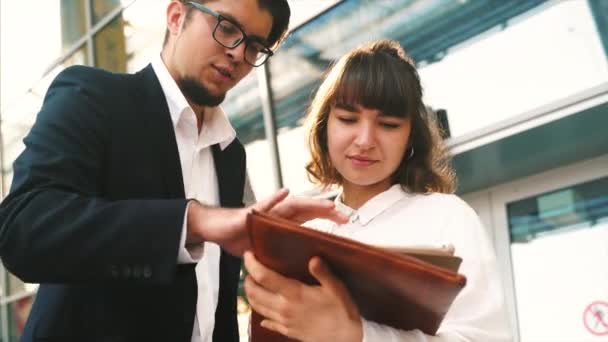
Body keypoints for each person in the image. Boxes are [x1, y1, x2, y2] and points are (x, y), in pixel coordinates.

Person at [0, 1, 349, 342]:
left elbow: (216, 303)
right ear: (176, 16)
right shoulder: (94, 96)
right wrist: (194, 221)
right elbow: (22, 230)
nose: (239, 54)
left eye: (255, 47)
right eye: (227, 28)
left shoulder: (230, 155)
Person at [243, 39, 512, 341]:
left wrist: (357, 335)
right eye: (347, 119)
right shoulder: (307, 229)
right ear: (323, 126)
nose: (365, 140)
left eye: (388, 124)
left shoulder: (448, 216)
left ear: (411, 136)